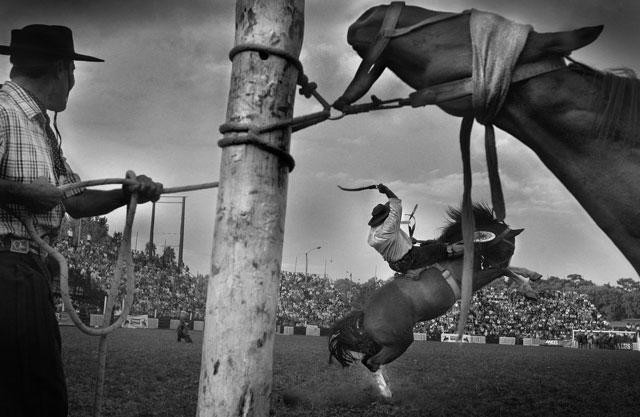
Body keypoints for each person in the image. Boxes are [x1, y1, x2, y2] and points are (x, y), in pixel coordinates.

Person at [0, 25, 163, 417]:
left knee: (31, 394)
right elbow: (48, 196)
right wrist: (26, 192)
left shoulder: (42, 130)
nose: (73, 82)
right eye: (73, 72)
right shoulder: (3, 112)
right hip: (6, 271)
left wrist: (127, 194)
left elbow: (76, 201)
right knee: (37, 398)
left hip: (27, 273)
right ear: (61, 68)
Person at [367, 183, 464, 276]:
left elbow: (391, 246)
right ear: (385, 217)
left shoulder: (372, 236)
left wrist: (407, 242)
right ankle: (467, 250)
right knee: (441, 249)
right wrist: (386, 190)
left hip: (394, 265)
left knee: (427, 245)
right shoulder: (389, 226)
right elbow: (396, 202)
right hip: (409, 258)